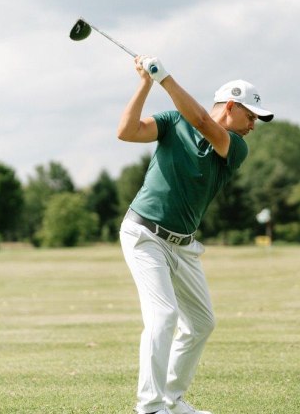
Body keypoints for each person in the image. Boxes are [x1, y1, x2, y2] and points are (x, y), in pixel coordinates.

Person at [117, 55, 273, 414]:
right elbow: (126, 132)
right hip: (144, 235)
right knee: (164, 315)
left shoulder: (234, 148)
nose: (253, 125)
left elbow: (203, 120)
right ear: (231, 106)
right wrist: (144, 82)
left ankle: (171, 400)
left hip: (183, 246)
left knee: (201, 322)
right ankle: (150, 407)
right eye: (250, 116)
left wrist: (165, 79)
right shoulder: (172, 122)